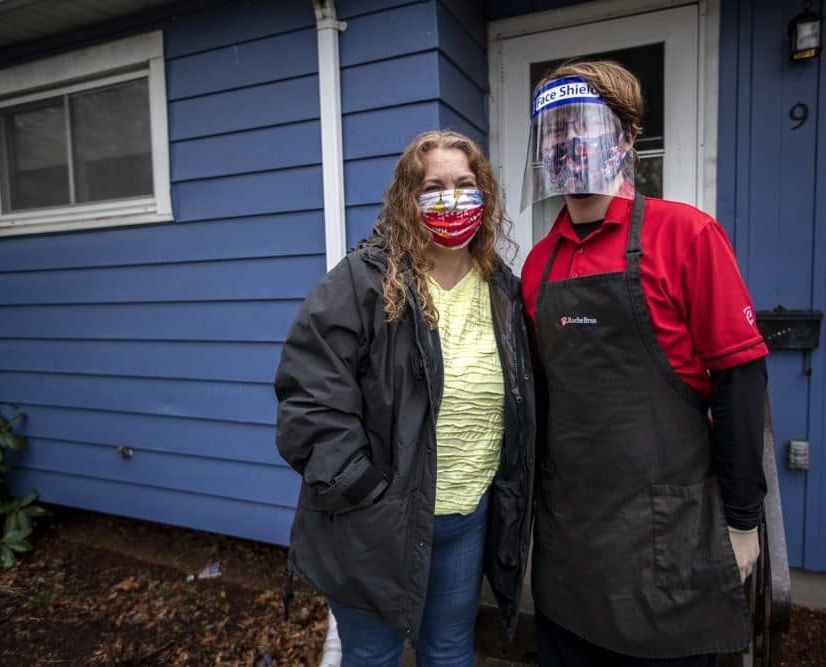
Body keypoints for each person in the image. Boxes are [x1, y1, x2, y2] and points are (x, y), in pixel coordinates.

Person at [520, 60, 769, 665]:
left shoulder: (686, 235)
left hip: (670, 542)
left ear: (629, 138)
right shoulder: (537, 265)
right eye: (554, 130)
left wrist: (742, 521)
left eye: (586, 126)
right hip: (570, 546)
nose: (569, 142)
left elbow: (739, 380)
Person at [274, 130, 536, 667]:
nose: (452, 198)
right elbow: (309, 397)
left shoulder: (502, 289)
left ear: (484, 195)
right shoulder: (362, 282)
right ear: (406, 199)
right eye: (434, 186)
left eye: (465, 185)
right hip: (374, 522)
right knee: (374, 656)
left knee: (448, 649)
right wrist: (362, 487)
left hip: (466, 519)